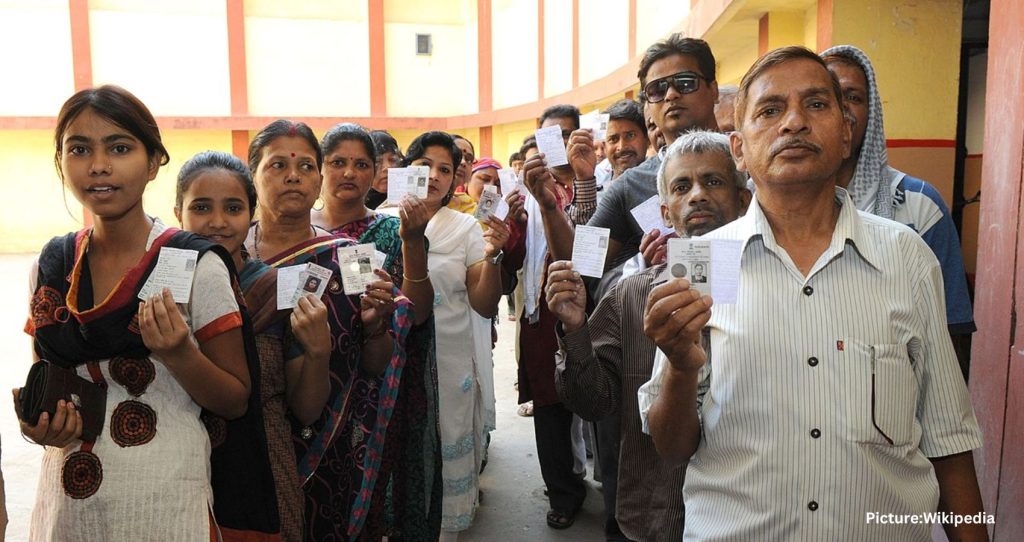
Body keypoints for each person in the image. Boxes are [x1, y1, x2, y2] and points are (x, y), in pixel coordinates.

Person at [639, 46, 986, 541]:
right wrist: (679, 363)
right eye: (770, 110)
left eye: (817, 105)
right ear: (738, 149)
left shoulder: (906, 258)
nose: (794, 123)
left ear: (846, 135)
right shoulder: (703, 261)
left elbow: (949, 441)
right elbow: (672, 449)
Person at [17, 85, 264, 541]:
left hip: (165, 504)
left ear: (153, 163)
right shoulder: (52, 266)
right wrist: (40, 425)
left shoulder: (197, 265)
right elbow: (44, 379)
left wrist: (179, 352)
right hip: (68, 510)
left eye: (119, 147)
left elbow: (235, 400)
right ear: (62, 162)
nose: (99, 165)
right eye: (79, 149)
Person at [547, 130, 750, 542]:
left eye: (713, 182)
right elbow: (591, 400)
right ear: (665, 212)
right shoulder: (631, 293)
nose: (696, 195)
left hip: (749, 514)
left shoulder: (774, 288)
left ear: (744, 200)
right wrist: (574, 329)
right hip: (654, 512)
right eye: (681, 186)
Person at [244, 119, 404, 541]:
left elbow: (376, 363)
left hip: (329, 448)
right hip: (240, 442)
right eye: (277, 165)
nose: (293, 176)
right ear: (253, 175)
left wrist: (375, 328)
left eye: (306, 166)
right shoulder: (226, 254)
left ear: (318, 179)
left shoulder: (352, 257)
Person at [175, 150, 332, 542]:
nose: (217, 222)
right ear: (178, 211)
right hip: (174, 471)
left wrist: (317, 352)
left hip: (262, 471)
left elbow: (307, 409)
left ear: (251, 213)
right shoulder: (160, 286)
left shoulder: (276, 291)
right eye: (201, 207)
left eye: (232, 208)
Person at [312, 122, 442, 539]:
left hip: (376, 390)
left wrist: (412, 239)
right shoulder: (299, 231)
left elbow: (417, 314)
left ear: (375, 173)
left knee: (371, 504)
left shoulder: (387, 230)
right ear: (320, 168)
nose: (349, 173)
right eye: (338, 162)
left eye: (361, 164)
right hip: (307, 384)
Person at [821, 45, 976, 377]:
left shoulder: (919, 203)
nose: (843, 108)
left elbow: (952, 331)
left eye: (854, 97)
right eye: (828, 96)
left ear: (872, 112)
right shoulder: (780, 207)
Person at [396, 131, 507, 540]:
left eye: (445, 168)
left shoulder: (464, 227)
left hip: (448, 360)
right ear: (406, 168)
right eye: (425, 165)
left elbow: (483, 303)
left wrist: (494, 257)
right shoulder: (385, 223)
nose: (435, 175)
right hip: (395, 360)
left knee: (444, 444)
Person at [504, 104, 599, 531]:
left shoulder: (593, 183)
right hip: (540, 311)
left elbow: (589, 249)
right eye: (545, 137)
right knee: (549, 404)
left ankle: (589, 475)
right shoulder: (526, 193)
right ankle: (563, 490)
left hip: (590, 309)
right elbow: (520, 254)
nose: (552, 146)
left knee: (593, 400)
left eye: (562, 136)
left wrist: (579, 181)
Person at [602, 99, 650, 183]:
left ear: (647, 139)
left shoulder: (665, 182)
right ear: (604, 146)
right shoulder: (596, 192)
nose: (622, 146)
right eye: (613, 139)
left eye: (630, 135)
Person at [366, 130, 404, 210]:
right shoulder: (354, 202)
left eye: (393, 160)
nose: (387, 167)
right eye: (378, 161)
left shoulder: (411, 198)